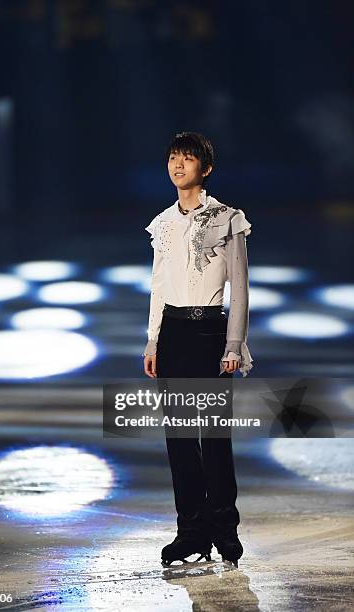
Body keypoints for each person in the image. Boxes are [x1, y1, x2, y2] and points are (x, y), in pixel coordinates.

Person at [143, 131, 253, 567]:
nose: (177, 165)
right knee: (181, 441)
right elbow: (157, 286)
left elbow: (240, 287)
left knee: (214, 438)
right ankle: (190, 532)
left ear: (204, 169)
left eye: (187, 159)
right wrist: (153, 338)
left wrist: (234, 342)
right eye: (173, 157)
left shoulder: (229, 218)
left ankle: (224, 529)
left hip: (211, 334)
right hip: (172, 333)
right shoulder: (163, 223)